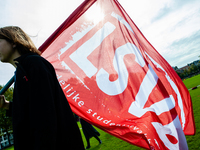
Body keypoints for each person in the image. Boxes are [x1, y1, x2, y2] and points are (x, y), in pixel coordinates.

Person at [0, 26, 85, 150]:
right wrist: (7, 105)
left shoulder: (34, 64)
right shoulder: (20, 72)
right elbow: (30, 111)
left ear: (13, 41)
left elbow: (45, 115)